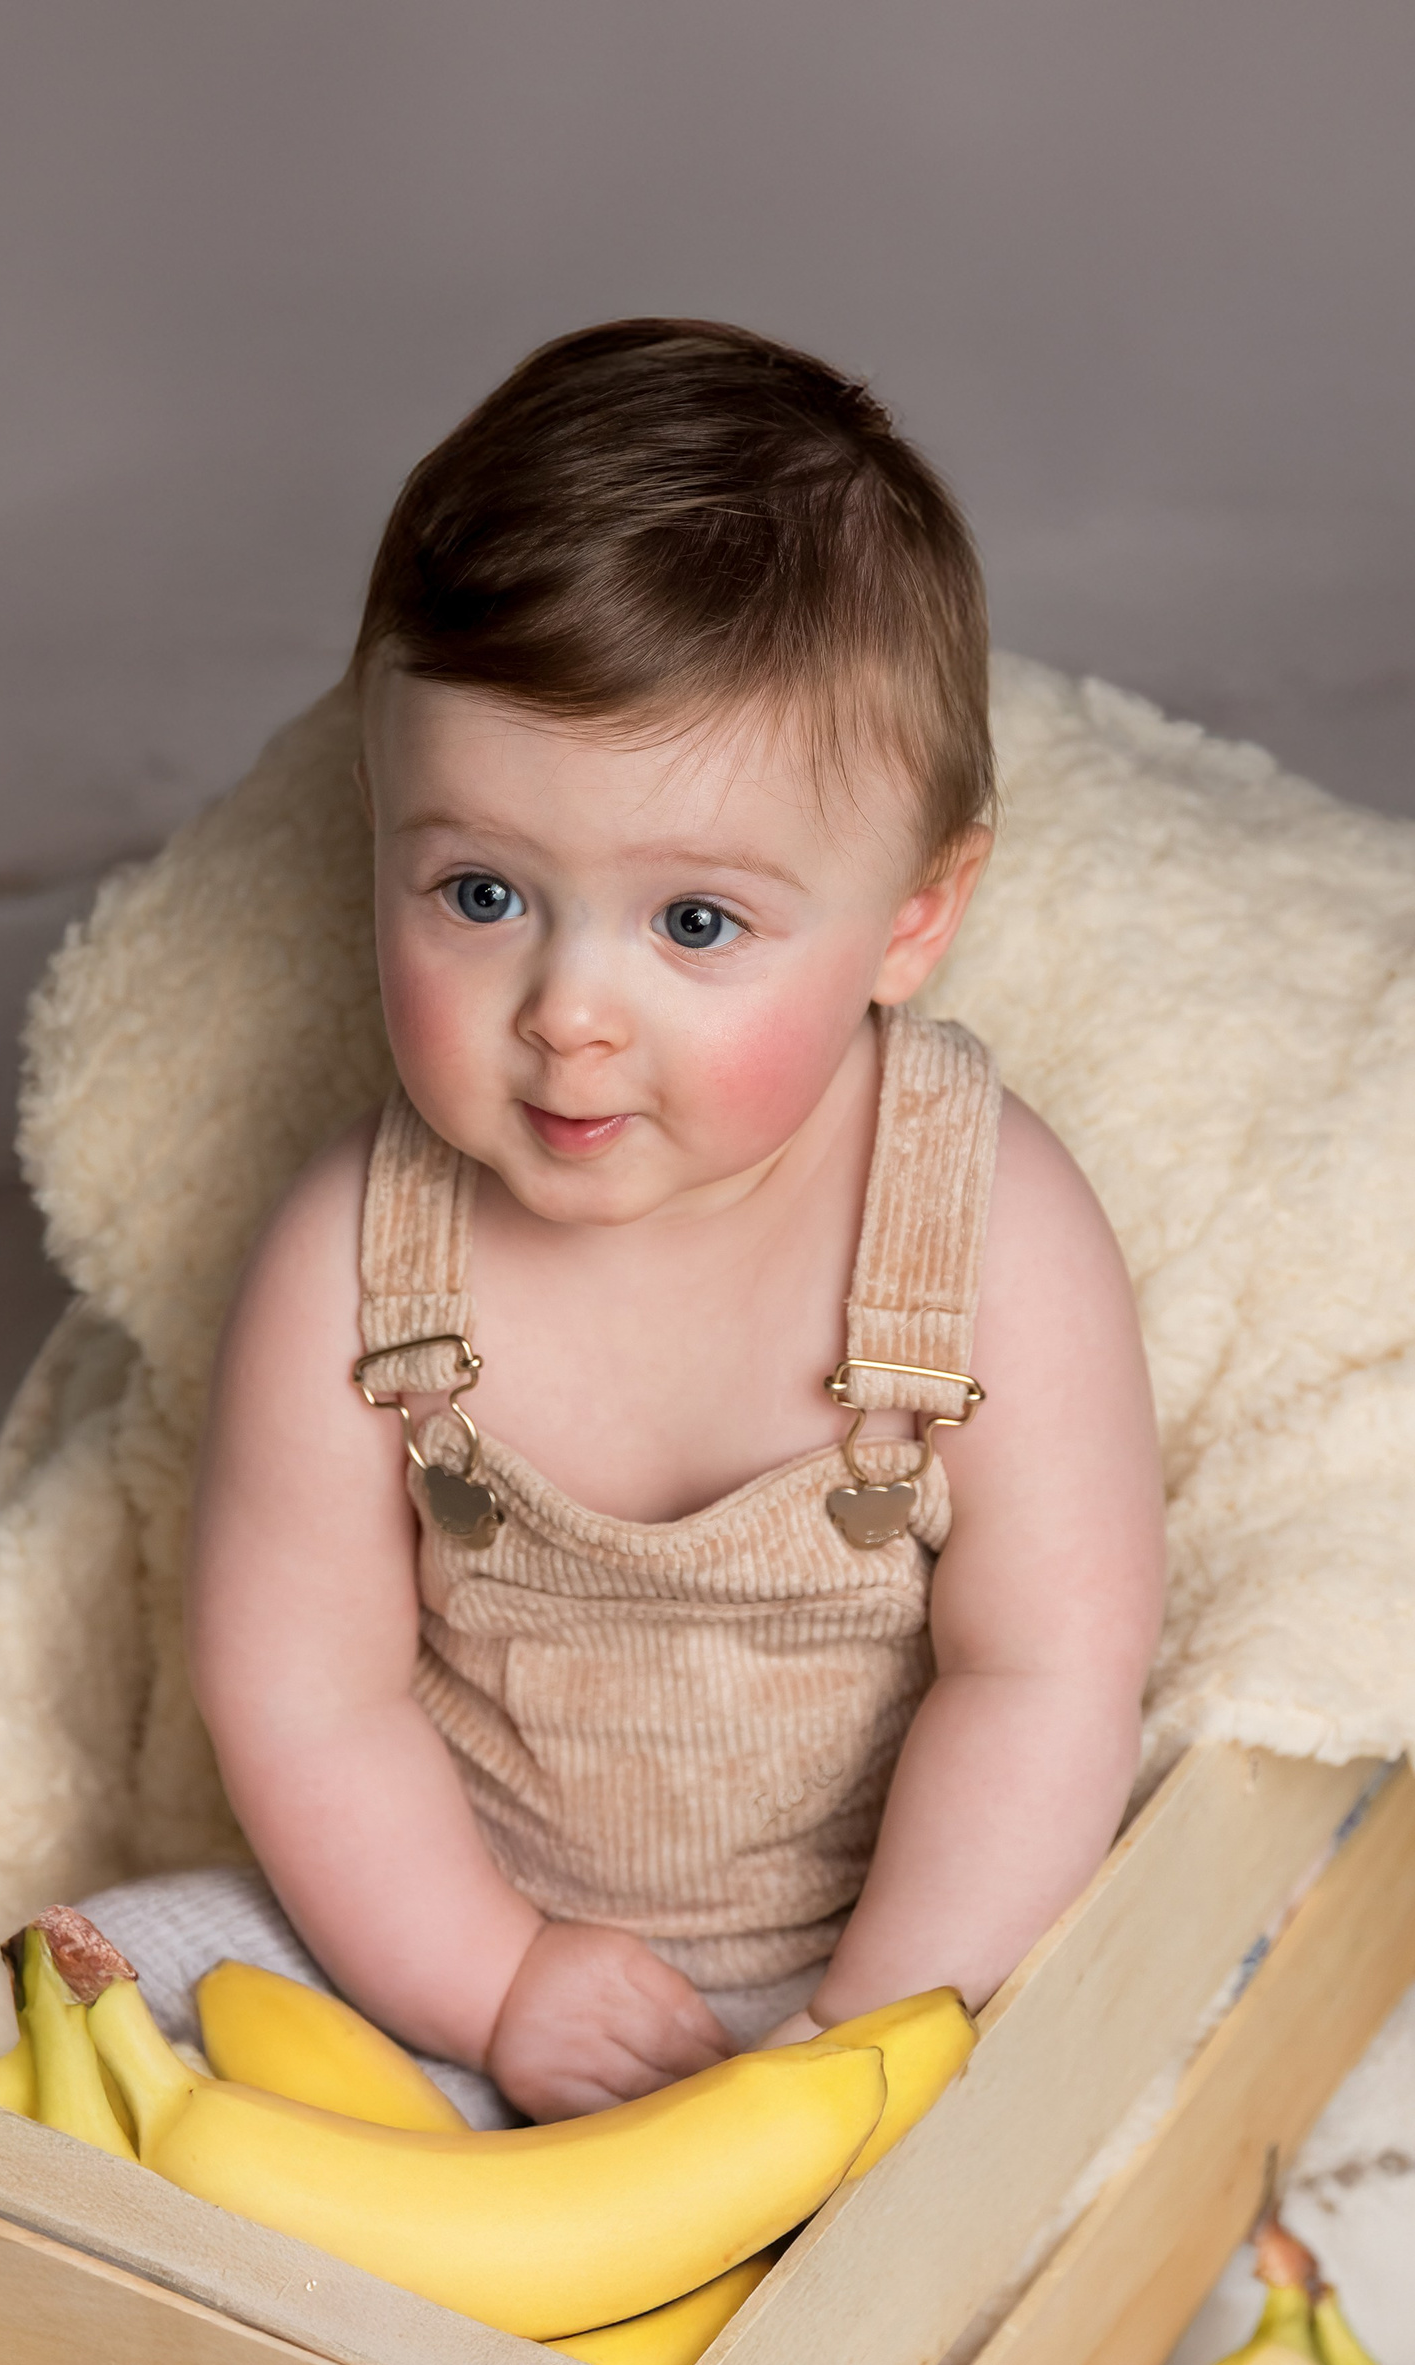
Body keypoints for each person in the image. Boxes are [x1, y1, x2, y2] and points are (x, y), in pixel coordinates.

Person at [83, 319, 1164, 2129]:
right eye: (480, 893)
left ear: (912, 917)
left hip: (908, 1953)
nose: (569, 1011)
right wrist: (492, 1978)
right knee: (116, 1973)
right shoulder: (356, 1265)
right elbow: (305, 1696)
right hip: (447, 1937)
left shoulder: (989, 1237)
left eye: (694, 924)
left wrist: (870, 2037)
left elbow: (1041, 1677)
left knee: (1147, 2035)